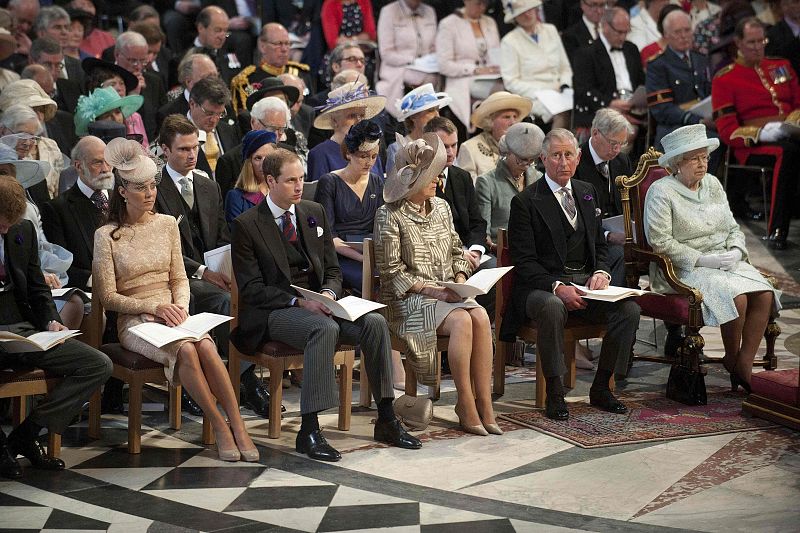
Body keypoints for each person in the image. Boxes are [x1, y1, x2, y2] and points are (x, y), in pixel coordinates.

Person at [231, 147, 422, 461]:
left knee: (374, 322)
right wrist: (298, 301)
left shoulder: (313, 211)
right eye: (290, 180)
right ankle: (309, 430)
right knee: (322, 329)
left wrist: (329, 295)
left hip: (321, 303)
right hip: (274, 311)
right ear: (270, 181)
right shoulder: (247, 224)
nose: (299, 186)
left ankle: (387, 418)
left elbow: (332, 270)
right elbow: (251, 289)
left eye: (301, 178)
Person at [92, 138, 258, 462]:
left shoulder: (167, 224)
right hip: (136, 320)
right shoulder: (106, 235)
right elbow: (108, 297)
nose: (150, 193)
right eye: (141, 188)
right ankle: (219, 425)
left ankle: (238, 425)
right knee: (187, 350)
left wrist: (180, 307)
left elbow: (180, 278)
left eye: (152, 186)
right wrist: (152, 308)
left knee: (206, 345)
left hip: (174, 313)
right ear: (122, 191)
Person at [501, 128, 641, 421]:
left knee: (629, 309)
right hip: (540, 287)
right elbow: (524, 263)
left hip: (585, 284)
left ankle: (601, 387)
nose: (563, 162)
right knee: (553, 307)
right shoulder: (526, 201)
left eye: (569, 155)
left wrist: (601, 272)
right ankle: (554, 392)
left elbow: (599, 245)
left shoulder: (587, 191)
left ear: (578, 158)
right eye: (556, 155)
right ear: (543, 159)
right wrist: (557, 286)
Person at [374, 133, 501, 436]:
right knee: (462, 321)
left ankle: (484, 403)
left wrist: (459, 280)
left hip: (447, 294)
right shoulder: (388, 215)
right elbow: (390, 272)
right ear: (413, 179)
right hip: (407, 301)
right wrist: (434, 290)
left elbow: (457, 252)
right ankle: (465, 403)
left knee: (480, 316)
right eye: (432, 175)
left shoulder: (442, 207)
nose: (438, 180)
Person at [643, 124, 780, 391]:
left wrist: (736, 251)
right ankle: (732, 358)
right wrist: (703, 260)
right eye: (694, 158)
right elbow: (660, 242)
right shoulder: (661, 191)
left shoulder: (713, 184)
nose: (702, 164)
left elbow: (732, 228)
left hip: (724, 261)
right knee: (737, 296)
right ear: (676, 163)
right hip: (684, 267)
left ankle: (744, 363)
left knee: (764, 292)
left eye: (704, 157)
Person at [0, 170, 112, 480]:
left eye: (10, 224)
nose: (6, 230)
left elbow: (37, 286)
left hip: (23, 328)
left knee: (97, 365)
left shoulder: (21, 229)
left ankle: (27, 433)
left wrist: (52, 320)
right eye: (1, 224)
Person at [711, 17, 800, 249]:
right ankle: (777, 229)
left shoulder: (780, 65)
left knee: (792, 147)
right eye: (752, 42)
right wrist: (763, 133)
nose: (758, 47)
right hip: (752, 146)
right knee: (787, 153)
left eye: (762, 41)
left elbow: (798, 103)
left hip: (791, 132)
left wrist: (792, 123)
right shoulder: (725, 78)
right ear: (738, 42)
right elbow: (727, 131)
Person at [314, 119, 384, 293]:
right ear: (348, 154)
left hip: (373, 253)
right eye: (363, 156)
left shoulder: (376, 181)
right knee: (372, 280)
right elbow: (328, 236)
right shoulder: (329, 182)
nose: (369, 162)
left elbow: (382, 227)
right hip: (341, 256)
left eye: (374, 157)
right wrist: (363, 258)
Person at [41, 135, 112, 293]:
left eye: (108, 161)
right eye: (97, 162)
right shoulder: (56, 209)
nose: (106, 169)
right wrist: (93, 279)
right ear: (79, 166)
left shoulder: (124, 199)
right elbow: (59, 266)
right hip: (88, 294)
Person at [646, 9, 714, 151]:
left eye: (687, 30)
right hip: (675, 128)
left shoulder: (701, 59)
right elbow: (662, 110)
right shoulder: (658, 65)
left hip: (705, 124)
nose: (683, 36)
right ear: (666, 35)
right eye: (677, 32)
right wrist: (697, 120)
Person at [500, 0, 572, 129]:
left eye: (529, 10)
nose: (527, 14)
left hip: (560, 91)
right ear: (515, 18)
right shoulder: (509, 41)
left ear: (536, 10)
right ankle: (556, 142)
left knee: (582, 105)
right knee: (561, 113)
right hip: (532, 96)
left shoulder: (551, 30)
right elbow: (511, 81)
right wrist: (542, 91)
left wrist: (565, 85)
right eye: (521, 13)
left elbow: (565, 68)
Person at [572, 7, 646, 132]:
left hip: (634, 109)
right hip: (602, 112)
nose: (623, 37)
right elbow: (583, 90)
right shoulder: (586, 53)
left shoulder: (631, 49)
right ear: (605, 26)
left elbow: (641, 81)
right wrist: (610, 103)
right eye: (619, 32)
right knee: (626, 131)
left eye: (626, 32)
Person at [476, 122, 544, 254]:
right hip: (500, 252)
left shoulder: (538, 178)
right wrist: (497, 248)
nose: (526, 164)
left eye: (531, 160)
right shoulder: (487, 182)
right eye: (521, 158)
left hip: (534, 250)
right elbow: (483, 233)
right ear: (507, 152)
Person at [436, 0, 501, 133]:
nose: (482, 7)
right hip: (462, 80)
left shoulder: (490, 22)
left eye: (485, 4)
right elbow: (444, 65)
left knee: (509, 87)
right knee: (500, 92)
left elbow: (496, 54)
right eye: (478, 3)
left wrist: (495, 67)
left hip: (492, 76)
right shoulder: (448, 24)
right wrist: (475, 70)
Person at [306, 82, 386, 182]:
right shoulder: (320, 154)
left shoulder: (372, 149)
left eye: (362, 115)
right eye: (352, 116)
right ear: (334, 120)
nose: (359, 121)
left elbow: (380, 187)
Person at [229, 23, 313, 116]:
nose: (284, 49)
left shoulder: (301, 73)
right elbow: (245, 118)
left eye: (287, 43)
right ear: (262, 46)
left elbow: (310, 112)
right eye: (278, 44)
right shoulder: (245, 81)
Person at [375, 0, 438, 119]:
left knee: (438, 79)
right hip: (398, 67)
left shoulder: (430, 11)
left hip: (429, 68)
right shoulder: (388, 11)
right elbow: (387, 53)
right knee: (418, 78)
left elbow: (435, 48)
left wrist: (431, 61)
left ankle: (430, 121)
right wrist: (413, 61)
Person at [454, 91, 532, 182]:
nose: (513, 122)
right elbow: (468, 186)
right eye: (506, 117)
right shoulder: (469, 148)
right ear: (490, 121)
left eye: (515, 117)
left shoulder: (523, 148)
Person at [0, 100, 61, 204]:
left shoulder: (35, 171)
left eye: (32, 137)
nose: (27, 143)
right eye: (22, 135)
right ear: (2, 131)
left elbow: (44, 208)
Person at [82, 57, 148, 148]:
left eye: (121, 83)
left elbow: (145, 149)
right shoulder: (89, 118)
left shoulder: (135, 117)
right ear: (98, 89)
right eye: (112, 84)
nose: (119, 88)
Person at [386, 84, 452, 174]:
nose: (437, 115)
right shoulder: (398, 148)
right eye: (430, 110)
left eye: (437, 110)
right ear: (413, 116)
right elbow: (394, 181)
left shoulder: (443, 144)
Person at [186, 76, 241, 178]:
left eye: (220, 114)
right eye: (209, 113)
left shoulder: (230, 131)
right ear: (192, 104)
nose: (214, 120)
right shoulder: (176, 135)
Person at [224, 130, 278, 226]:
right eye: (258, 158)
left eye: (269, 157)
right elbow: (236, 232)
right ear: (249, 163)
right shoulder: (236, 198)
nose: (264, 164)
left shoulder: (282, 190)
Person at [766, 0, 800, 76]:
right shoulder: (773, 36)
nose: (793, 6)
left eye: (796, 2)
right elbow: (776, 71)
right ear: (782, 7)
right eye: (786, 4)